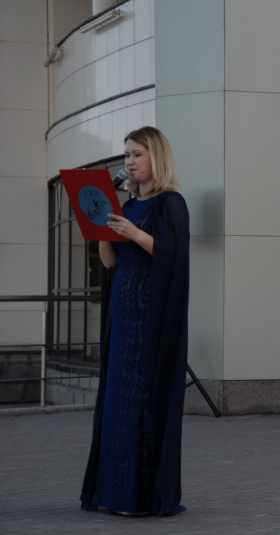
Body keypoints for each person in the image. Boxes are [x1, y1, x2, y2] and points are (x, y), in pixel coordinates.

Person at [80, 126, 190, 516]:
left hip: (151, 318)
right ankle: (113, 493)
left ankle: (139, 497)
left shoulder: (170, 203)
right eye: (126, 155)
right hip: (123, 315)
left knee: (141, 400)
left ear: (156, 157)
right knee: (116, 402)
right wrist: (102, 230)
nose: (129, 161)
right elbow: (110, 262)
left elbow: (173, 256)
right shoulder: (126, 208)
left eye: (137, 154)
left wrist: (135, 234)